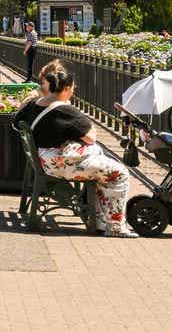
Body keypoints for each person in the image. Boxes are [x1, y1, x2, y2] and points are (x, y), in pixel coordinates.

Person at [29, 62, 136, 237]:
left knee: (104, 167)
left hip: (44, 159)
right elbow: (91, 137)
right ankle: (115, 226)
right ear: (65, 88)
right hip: (59, 165)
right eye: (72, 87)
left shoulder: (37, 103)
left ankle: (101, 219)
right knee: (120, 173)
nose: (74, 89)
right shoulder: (65, 110)